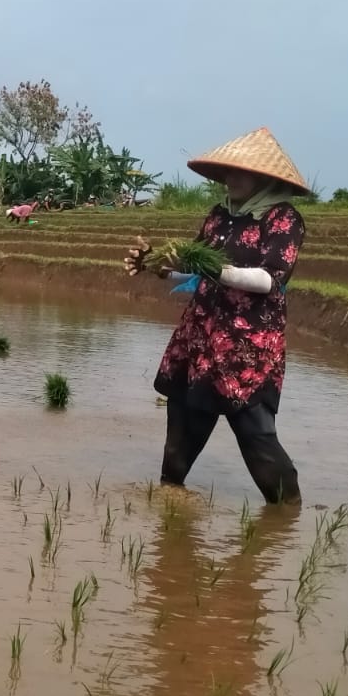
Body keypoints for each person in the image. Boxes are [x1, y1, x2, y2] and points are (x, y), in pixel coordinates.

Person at [125, 127, 307, 503]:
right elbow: (191, 271)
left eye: (242, 171)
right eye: (228, 171)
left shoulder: (283, 220)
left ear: (265, 177)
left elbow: (270, 279)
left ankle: (288, 513)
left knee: (256, 437)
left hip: (246, 348)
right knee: (179, 436)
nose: (232, 179)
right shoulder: (219, 217)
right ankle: (171, 511)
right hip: (201, 337)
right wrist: (157, 265)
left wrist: (217, 272)